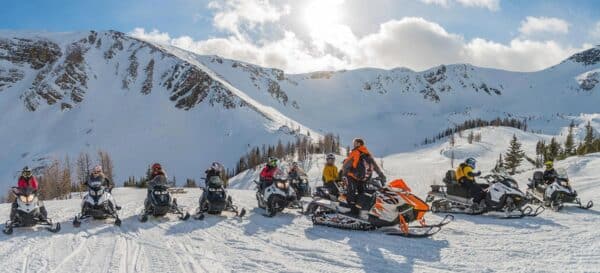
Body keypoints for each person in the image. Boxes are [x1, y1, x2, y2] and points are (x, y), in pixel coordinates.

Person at [342, 138, 386, 215]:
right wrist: (381, 174)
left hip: (353, 176)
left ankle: (351, 211)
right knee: (361, 193)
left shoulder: (355, 152)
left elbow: (347, 164)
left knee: (350, 193)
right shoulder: (368, 153)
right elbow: (375, 165)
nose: (354, 144)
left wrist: (344, 173)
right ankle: (359, 210)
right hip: (363, 178)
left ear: (359, 144)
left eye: (355, 143)